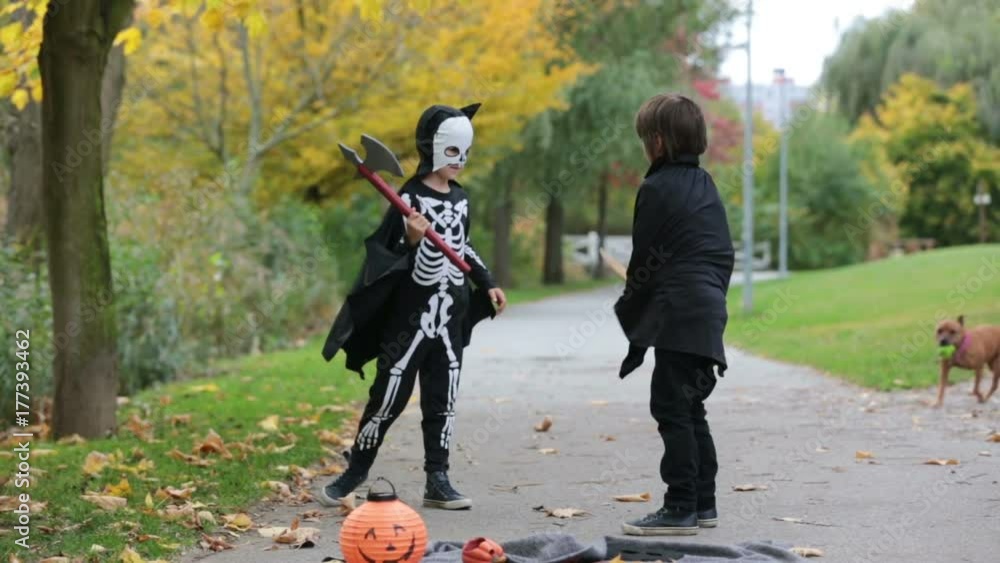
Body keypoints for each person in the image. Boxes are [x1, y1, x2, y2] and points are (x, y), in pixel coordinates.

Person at [318, 103, 506, 510]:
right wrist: (411, 239)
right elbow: (384, 257)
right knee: (388, 395)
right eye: (454, 152)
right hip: (409, 317)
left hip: (450, 316)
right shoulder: (409, 197)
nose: (461, 162)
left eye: (466, 153)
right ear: (434, 149)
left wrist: (486, 282)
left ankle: (437, 479)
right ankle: (356, 469)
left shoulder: (461, 198)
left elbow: (463, 245)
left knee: (444, 397)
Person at [614, 93, 735, 535]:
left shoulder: (656, 188)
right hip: (705, 309)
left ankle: (680, 505)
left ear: (659, 143)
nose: (644, 146)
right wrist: (712, 302)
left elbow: (644, 262)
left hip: (680, 311)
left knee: (669, 405)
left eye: (646, 139)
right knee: (690, 406)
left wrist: (632, 314)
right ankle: (704, 503)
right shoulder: (706, 185)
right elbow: (722, 253)